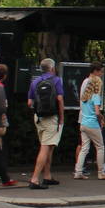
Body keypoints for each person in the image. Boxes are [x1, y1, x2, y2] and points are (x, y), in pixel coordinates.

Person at [27, 57, 63, 190]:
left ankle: (47, 176)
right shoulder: (57, 80)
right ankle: (35, 179)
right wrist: (61, 118)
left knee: (49, 146)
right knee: (45, 147)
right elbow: (60, 99)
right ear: (53, 68)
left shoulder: (35, 82)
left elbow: (29, 103)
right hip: (52, 117)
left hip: (39, 118)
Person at [72, 63, 105, 179]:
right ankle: (101, 172)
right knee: (100, 147)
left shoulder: (84, 97)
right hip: (92, 124)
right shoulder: (96, 96)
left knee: (84, 148)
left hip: (83, 123)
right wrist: (102, 119)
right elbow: (97, 112)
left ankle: (78, 171)